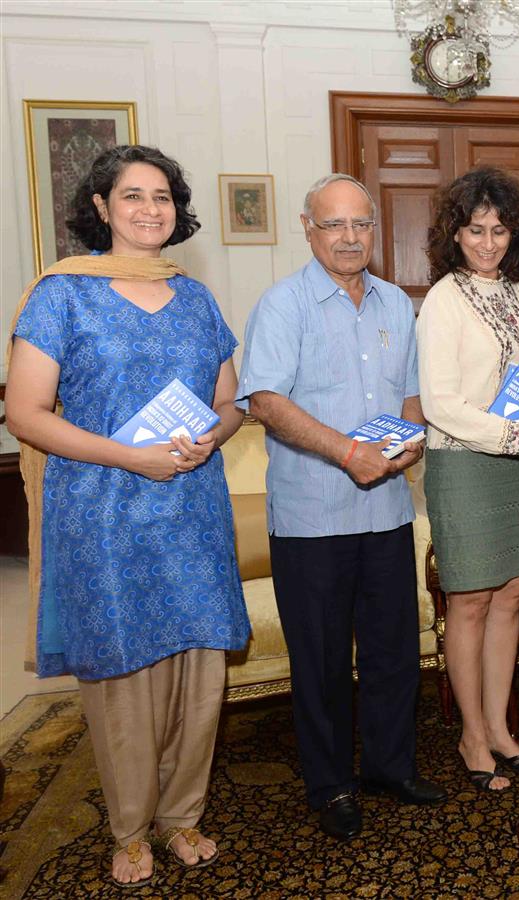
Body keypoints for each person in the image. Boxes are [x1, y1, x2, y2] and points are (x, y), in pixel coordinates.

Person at [7, 144, 250, 887]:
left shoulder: (197, 297)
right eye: (133, 196)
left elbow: (230, 400)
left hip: (192, 511)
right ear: (103, 208)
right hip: (103, 513)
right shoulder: (61, 295)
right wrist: (127, 455)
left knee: (198, 674)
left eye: (163, 198)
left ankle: (183, 818)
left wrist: (216, 431)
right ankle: (129, 829)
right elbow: (24, 412)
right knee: (122, 681)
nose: (151, 209)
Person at [236, 173, 446, 841]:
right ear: (308, 228)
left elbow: (409, 396)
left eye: (361, 224)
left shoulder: (393, 303)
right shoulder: (282, 305)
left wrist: (410, 440)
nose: (350, 237)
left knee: (394, 652)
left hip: (386, 512)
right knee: (322, 661)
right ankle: (329, 785)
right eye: (335, 225)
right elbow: (265, 401)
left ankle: (390, 766)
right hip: (312, 518)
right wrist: (345, 452)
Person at [417, 168, 519, 791]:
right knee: (470, 602)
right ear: (455, 232)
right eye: (475, 230)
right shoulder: (443, 299)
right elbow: (438, 403)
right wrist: (512, 436)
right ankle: (472, 735)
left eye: (499, 230)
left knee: (511, 598)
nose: (488, 242)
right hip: (464, 464)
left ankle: (501, 730)